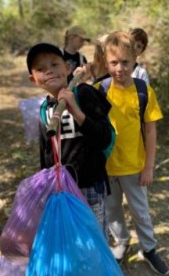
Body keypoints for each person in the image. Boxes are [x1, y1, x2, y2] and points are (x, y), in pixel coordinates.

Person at [28, 41, 113, 237]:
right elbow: (47, 154)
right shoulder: (45, 109)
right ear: (33, 79)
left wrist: (77, 112)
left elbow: (104, 138)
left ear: (68, 67)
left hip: (90, 185)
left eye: (54, 64)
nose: (49, 71)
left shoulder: (85, 94)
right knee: (70, 239)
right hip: (61, 191)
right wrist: (46, 188)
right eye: (41, 69)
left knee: (94, 240)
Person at [101, 31, 168, 275]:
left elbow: (150, 132)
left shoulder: (143, 92)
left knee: (141, 211)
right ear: (106, 62)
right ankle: (121, 243)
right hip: (107, 169)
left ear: (134, 60)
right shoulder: (100, 90)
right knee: (113, 211)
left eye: (125, 62)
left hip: (135, 166)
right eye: (114, 62)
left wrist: (148, 167)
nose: (120, 68)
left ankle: (149, 249)